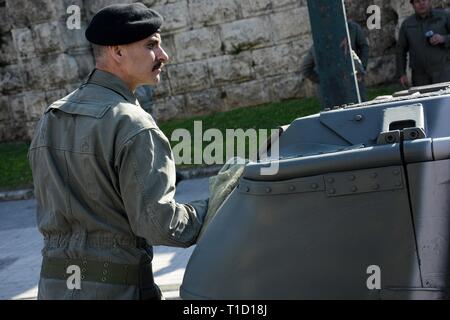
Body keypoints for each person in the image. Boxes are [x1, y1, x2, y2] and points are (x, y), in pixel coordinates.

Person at [28, 3, 208, 300]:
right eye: (152, 45)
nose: (164, 56)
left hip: (54, 289)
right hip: (118, 289)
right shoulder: (132, 124)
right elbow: (162, 227)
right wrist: (215, 203)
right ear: (118, 52)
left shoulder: (51, 116)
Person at [300, 20, 369, 104]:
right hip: (349, 83)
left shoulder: (317, 46)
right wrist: (360, 72)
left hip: (332, 89)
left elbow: (305, 68)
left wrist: (324, 81)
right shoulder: (345, 41)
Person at [396, 0, 450, 88]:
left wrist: (444, 39)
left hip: (444, 73)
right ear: (412, 4)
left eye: (424, 0)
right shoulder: (407, 24)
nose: (422, 3)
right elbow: (401, 50)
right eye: (417, 1)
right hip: (420, 77)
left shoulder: (444, 16)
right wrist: (402, 74)